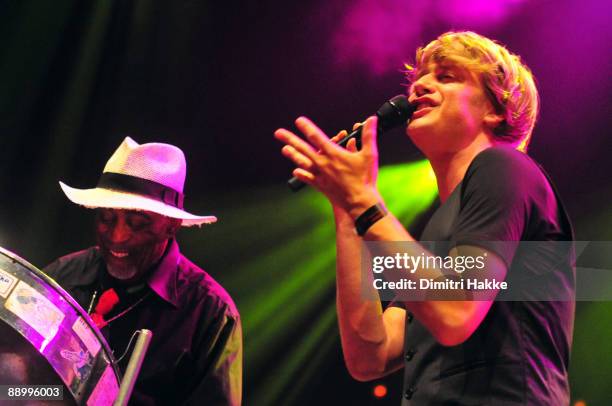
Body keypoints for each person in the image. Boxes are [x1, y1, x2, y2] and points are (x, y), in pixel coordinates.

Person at [274, 31, 574, 404]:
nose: (419, 87)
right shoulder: (441, 227)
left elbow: (454, 311)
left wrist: (363, 200)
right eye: (420, 77)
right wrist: (347, 210)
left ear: (496, 108)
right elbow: (371, 355)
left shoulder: (504, 167)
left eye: (446, 76)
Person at [44, 137, 242, 405]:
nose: (118, 236)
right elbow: (17, 385)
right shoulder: (63, 276)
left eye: (137, 224)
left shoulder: (210, 312)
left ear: (171, 225)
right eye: (106, 218)